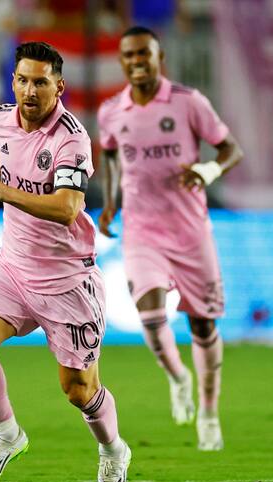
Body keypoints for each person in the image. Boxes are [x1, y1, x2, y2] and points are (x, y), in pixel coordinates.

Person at [0, 41, 131, 482]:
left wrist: (2, 192)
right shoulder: (0, 118)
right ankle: (8, 436)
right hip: (14, 266)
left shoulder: (70, 138)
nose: (29, 90)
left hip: (66, 280)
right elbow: (0, 155)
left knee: (77, 390)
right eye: (22, 80)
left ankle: (113, 451)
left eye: (40, 82)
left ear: (59, 87)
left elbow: (68, 208)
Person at [96, 26, 243, 451]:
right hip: (142, 229)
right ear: (122, 61)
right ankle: (178, 377)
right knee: (149, 311)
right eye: (128, 55)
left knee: (202, 323)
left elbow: (231, 149)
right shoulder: (112, 111)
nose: (136, 61)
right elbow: (108, 152)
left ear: (160, 57)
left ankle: (210, 412)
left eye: (144, 53)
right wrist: (110, 202)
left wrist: (208, 170)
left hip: (190, 230)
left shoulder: (188, 103)